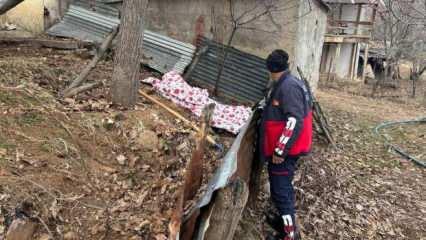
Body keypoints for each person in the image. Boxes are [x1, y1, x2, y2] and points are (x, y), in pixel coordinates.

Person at [258, 50, 313, 240]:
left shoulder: (288, 87)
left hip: (286, 152)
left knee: (281, 191)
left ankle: (290, 235)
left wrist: (280, 150)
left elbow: (294, 121)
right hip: (287, 149)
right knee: (281, 186)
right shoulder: (286, 82)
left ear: (271, 70)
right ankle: (283, 222)